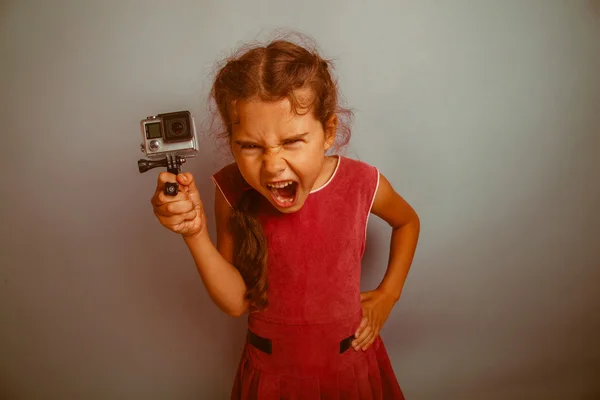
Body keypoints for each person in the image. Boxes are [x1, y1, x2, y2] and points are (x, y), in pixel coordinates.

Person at [151, 34, 420, 399]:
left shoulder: (361, 182)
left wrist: (389, 294)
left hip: (350, 371)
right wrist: (194, 233)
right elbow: (235, 302)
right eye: (249, 146)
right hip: (272, 381)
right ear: (230, 141)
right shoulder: (230, 190)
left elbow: (407, 221)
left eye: (292, 141)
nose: (273, 165)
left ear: (327, 132)